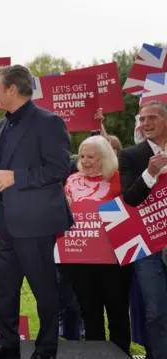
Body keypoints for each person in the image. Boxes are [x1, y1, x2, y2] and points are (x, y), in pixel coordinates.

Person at [0, 64, 73, 359]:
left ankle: (45, 349)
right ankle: (7, 345)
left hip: (35, 224)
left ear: (12, 89)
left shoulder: (49, 122)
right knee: (3, 290)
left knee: (43, 290)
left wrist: (16, 177)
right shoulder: (2, 125)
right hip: (4, 222)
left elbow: (59, 168)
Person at [64, 135, 132, 354]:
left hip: (113, 257)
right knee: (90, 311)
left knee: (117, 311)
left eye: (91, 157)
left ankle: (120, 353)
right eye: (82, 156)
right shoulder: (72, 180)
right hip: (80, 257)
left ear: (104, 158)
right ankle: (96, 354)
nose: (84, 161)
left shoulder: (117, 179)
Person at [118, 100, 167, 359]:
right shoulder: (131, 156)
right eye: (142, 119)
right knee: (156, 311)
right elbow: (130, 198)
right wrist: (149, 174)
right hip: (148, 247)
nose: (145, 123)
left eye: (152, 118)